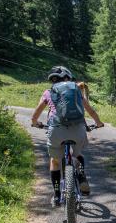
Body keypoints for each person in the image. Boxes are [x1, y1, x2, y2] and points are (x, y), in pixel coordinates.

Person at [31, 66, 104, 207]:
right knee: (78, 155)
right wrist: (99, 123)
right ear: (68, 78)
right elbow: (91, 111)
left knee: (55, 161)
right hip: (78, 130)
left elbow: (35, 116)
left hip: (57, 131)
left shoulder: (48, 92)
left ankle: (57, 194)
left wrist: (36, 123)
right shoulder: (76, 90)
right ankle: (81, 175)